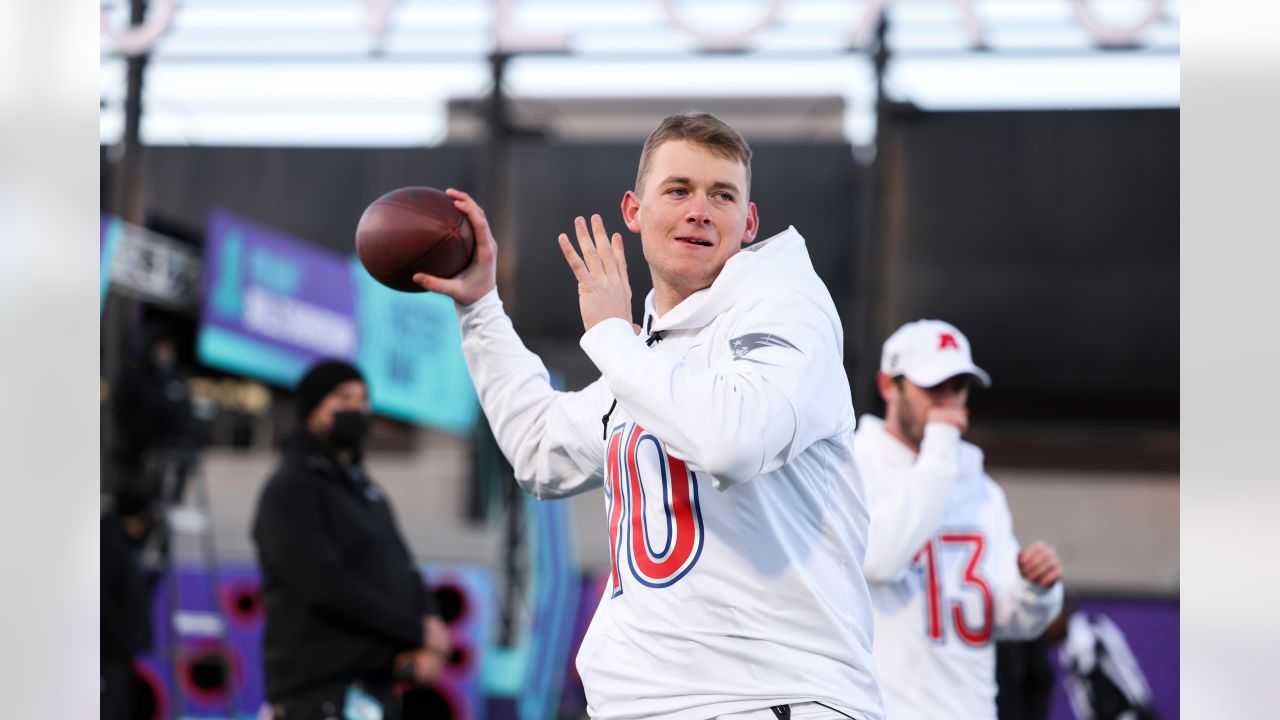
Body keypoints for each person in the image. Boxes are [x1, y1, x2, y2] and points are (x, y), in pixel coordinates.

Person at [413, 111, 884, 720]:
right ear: (633, 211)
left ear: (749, 223)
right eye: (679, 190)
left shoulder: (788, 307)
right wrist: (480, 306)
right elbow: (537, 448)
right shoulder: (646, 361)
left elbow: (731, 441)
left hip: (770, 697)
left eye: (722, 195)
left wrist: (611, 334)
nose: (700, 210)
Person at [853, 319, 1064, 720]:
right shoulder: (853, 468)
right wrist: (939, 454)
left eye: (959, 386)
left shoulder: (981, 488)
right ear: (887, 386)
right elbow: (877, 558)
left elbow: (1008, 618)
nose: (948, 401)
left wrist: (1035, 588)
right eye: (933, 386)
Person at [251, 360, 450, 720]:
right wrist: (414, 629)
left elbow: (404, 570)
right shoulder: (291, 489)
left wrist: (428, 634)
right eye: (342, 398)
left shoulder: (366, 491)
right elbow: (325, 584)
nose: (357, 408)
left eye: (363, 399)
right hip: (319, 695)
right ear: (312, 411)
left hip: (375, 691)